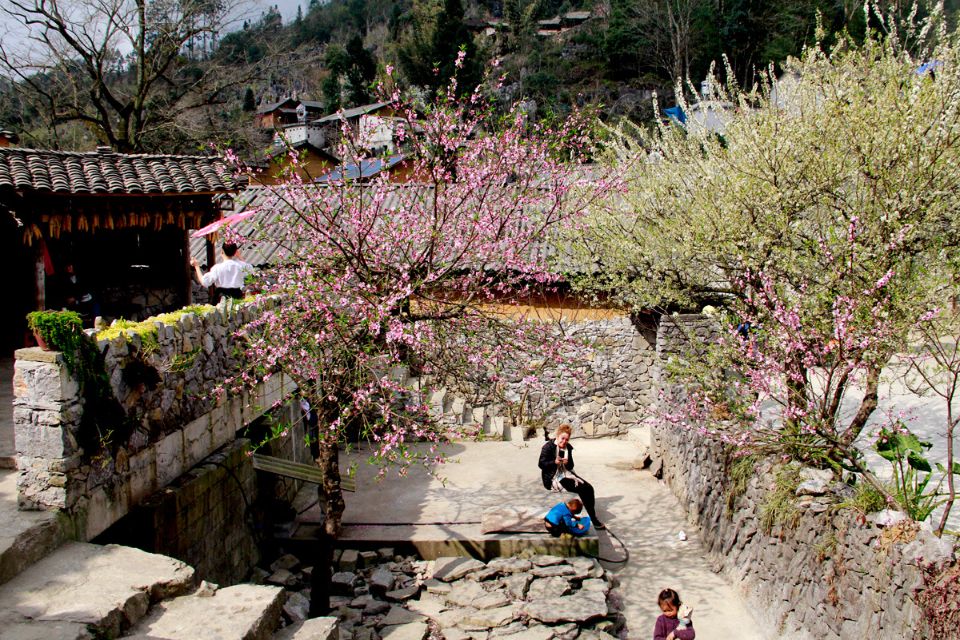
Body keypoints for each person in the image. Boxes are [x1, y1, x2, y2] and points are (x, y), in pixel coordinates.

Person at [538, 424, 605, 529]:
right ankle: (593, 519)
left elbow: (571, 466)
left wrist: (567, 463)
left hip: (566, 473)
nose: (564, 441)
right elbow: (541, 464)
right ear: (557, 436)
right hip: (553, 478)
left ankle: (591, 514)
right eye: (562, 438)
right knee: (582, 489)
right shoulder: (548, 447)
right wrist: (554, 462)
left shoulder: (568, 448)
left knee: (589, 488)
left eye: (567, 439)